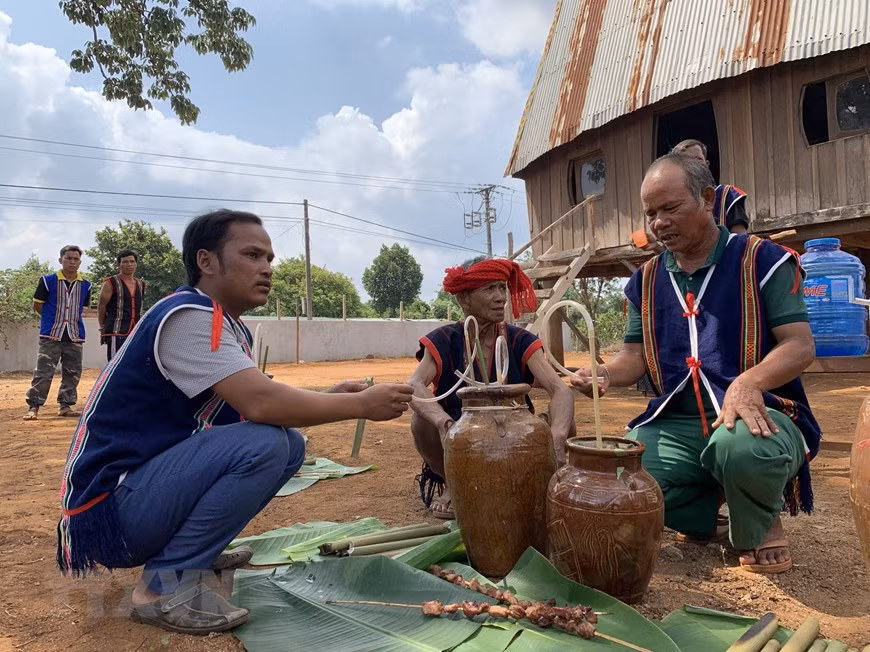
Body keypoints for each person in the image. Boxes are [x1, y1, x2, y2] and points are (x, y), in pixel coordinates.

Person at [57, 209, 414, 635]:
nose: (266, 268)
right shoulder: (189, 317)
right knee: (265, 444)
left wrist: (332, 394)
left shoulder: (222, 324)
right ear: (207, 262)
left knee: (289, 444)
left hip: (137, 497)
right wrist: (359, 406)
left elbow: (252, 406)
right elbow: (262, 404)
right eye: (252, 254)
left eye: (269, 258)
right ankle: (160, 587)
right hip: (110, 511)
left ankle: (194, 555)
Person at [571, 154, 820, 574]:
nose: (659, 223)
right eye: (651, 213)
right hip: (678, 420)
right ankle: (709, 513)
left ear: (707, 199)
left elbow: (799, 346)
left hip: (760, 415)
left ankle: (760, 521)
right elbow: (633, 355)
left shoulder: (763, 260)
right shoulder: (645, 280)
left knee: (740, 448)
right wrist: (608, 373)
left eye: (670, 209)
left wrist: (749, 382)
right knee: (619, 484)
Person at [409, 257, 575, 518]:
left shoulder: (521, 340)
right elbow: (414, 386)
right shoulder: (443, 340)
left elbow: (559, 389)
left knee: (563, 415)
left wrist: (556, 439)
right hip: (462, 442)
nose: (501, 298)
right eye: (489, 289)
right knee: (421, 419)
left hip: (515, 438)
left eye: (502, 288)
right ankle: (455, 484)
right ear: (463, 299)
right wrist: (444, 425)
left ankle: (540, 482)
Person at [23, 245, 92, 420]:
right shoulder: (48, 281)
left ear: (80, 262)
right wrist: (51, 320)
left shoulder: (87, 285)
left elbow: (82, 307)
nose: (72, 262)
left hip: (74, 334)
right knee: (44, 371)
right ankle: (34, 406)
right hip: (51, 334)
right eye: (68, 258)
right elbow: (37, 305)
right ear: (61, 260)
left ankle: (65, 406)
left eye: (76, 259)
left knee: (72, 372)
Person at [672, 139, 750, 233]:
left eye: (698, 159)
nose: (694, 165)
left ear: (706, 164)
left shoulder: (727, 195)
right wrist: (658, 248)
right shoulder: (673, 203)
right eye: (687, 161)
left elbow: (740, 242)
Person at [98, 249, 147, 361]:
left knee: (133, 363)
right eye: (125, 262)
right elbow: (101, 306)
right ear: (119, 265)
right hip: (116, 330)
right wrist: (102, 327)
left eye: (132, 261)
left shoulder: (141, 284)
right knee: (115, 363)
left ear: (136, 264)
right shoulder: (110, 282)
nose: (129, 264)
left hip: (135, 331)